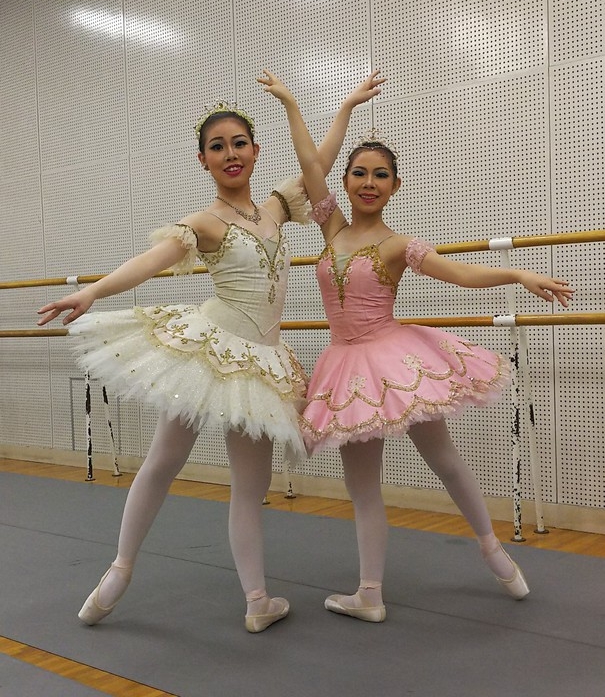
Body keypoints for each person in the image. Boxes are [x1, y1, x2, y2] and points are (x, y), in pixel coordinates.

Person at [36, 72, 385, 633]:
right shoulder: (206, 221)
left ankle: (257, 601)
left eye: (239, 143)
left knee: (251, 486)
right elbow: (151, 261)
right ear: (203, 160)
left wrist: (342, 107)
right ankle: (120, 569)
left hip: (261, 364)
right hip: (211, 350)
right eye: (218, 147)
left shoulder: (274, 209)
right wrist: (94, 291)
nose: (231, 154)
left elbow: (318, 163)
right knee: (165, 459)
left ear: (255, 151)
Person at [259, 70, 574, 623]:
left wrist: (517, 274)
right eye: (359, 173)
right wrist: (323, 106)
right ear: (345, 182)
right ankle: (370, 594)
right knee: (363, 488)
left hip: (396, 359)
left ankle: (494, 552)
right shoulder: (331, 228)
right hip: (345, 367)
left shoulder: (397, 244)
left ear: (395, 186)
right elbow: (310, 164)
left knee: (444, 460)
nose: (368, 183)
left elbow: (460, 274)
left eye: (380, 175)